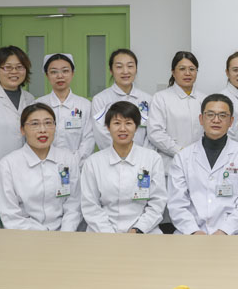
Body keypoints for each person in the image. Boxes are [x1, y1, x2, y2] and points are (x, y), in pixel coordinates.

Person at [168, 94, 238, 235]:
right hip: (191, 234)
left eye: (223, 115)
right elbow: (177, 204)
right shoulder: (183, 158)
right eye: (210, 114)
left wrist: (225, 230)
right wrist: (194, 231)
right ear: (201, 119)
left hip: (234, 234)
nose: (216, 120)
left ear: (231, 121)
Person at [81, 101, 166, 233]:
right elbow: (90, 205)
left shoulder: (152, 159)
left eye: (128, 123)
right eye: (116, 123)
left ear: (136, 127)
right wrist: (109, 233)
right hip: (102, 232)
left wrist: (138, 229)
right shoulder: (93, 162)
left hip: (144, 231)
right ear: (108, 127)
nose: (122, 129)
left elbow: (157, 202)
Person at [0, 103, 81, 231]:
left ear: (55, 127)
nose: (42, 130)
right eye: (35, 124)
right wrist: (44, 235)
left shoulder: (67, 159)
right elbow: (10, 215)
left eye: (48, 123)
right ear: (22, 130)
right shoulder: (7, 165)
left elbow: (74, 203)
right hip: (24, 235)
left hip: (64, 234)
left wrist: (65, 233)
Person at [148, 51, 207, 168]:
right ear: (173, 72)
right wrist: (180, 151)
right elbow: (155, 133)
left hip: (200, 163)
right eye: (182, 69)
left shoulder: (204, 99)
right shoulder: (161, 98)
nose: (187, 73)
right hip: (171, 163)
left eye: (192, 69)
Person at [35, 53, 95, 167]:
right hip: (44, 166)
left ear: (72, 73)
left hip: (78, 167)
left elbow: (89, 140)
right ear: (47, 75)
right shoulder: (38, 105)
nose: (60, 76)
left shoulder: (85, 105)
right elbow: (34, 139)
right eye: (54, 72)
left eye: (65, 71)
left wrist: (73, 164)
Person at [91, 49, 152, 150]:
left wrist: (142, 154)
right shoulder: (100, 100)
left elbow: (152, 132)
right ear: (111, 70)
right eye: (119, 67)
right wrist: (121, 153)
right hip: (111, 155)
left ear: (136, 69)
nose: (125, 71)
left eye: (130, 66)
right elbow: (101, 135)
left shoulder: (147, 99)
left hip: (143, 157)